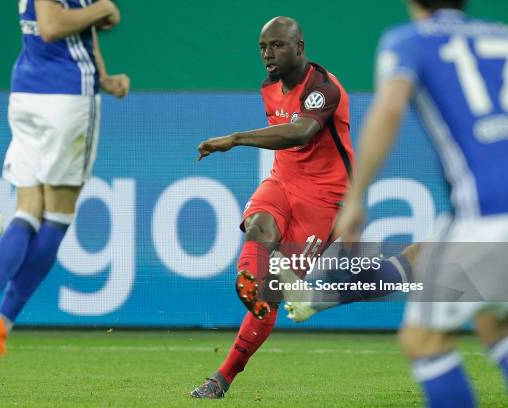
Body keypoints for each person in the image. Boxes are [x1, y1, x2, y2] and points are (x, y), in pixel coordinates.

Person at [335, 0, 508, 406]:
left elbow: (391, 105)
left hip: (485, 211)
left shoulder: (408, 41)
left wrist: (356, 197)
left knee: (423, 339)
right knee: (494, 323)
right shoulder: (501, 34)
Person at [0, 0, 130, 388]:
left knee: (28, 210)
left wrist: (103, 72)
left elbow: (78, 26)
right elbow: (52, 25)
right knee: (58, 216)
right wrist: (102, 9)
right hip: (65, 97)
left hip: (29, 92)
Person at [191, 16, 355, 399]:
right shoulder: (269, 87)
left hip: (325, 199)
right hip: (283, 181)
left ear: (299, 47)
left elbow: (301, 132)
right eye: (263, 47)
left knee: (273, 296)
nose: (268, 53)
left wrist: (235, 138)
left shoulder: (322, 88)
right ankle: (249, 283)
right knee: (258, 225)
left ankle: (224, 376)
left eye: (277, 45)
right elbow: (289, 146)